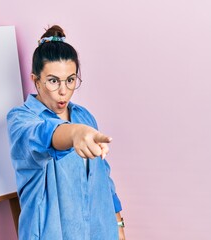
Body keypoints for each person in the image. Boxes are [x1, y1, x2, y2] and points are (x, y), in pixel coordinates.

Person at [7, 25, 126, 240]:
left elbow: (103, 176)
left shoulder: (84, 116)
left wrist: (118, 223)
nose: (64, 91)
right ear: (36, 81)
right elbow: (43, 136)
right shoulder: (21, 119)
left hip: (99, 231)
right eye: (53, 81)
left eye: (70, 80)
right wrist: (73, 134)